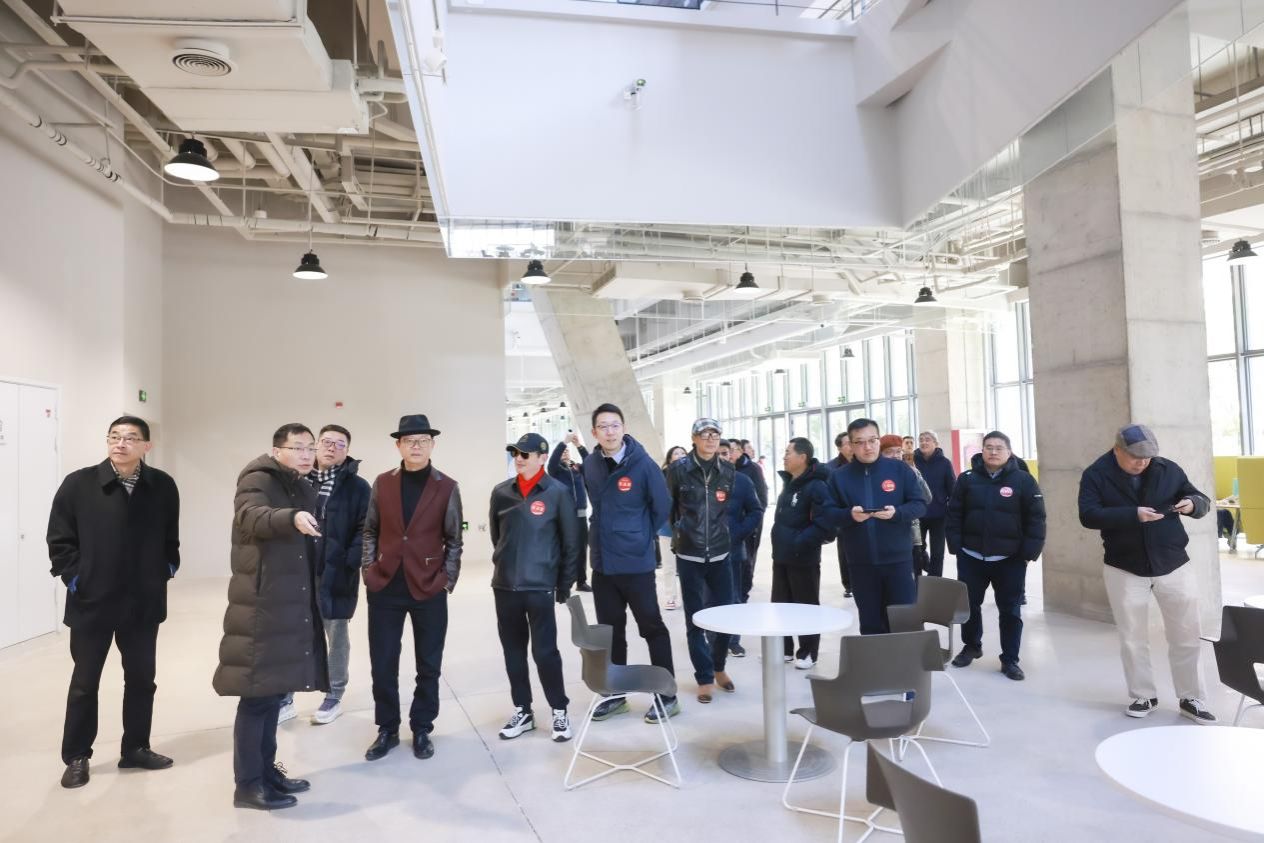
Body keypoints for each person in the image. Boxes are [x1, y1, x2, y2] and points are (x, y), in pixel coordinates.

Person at [47, 415, 180, 790]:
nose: (121, 443)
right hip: (93, 601)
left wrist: (166, 569)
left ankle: (135, 748)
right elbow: (59, 538)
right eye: (114, 437)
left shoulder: (162, 486)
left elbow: (170, 539)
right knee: (85, 683)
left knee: (141, 680)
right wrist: (76, 577)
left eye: (131, 438)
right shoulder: (79, 484)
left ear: (146, 446)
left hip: (142, 602)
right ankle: (77, 756)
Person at [213, 423, 327, 810]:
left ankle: (268, 772)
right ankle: (248, 786)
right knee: (257, 698)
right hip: (261, 606)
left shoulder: (300, 485)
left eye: (310, 447)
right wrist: (290, 517)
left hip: (287, 603)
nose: (307, 454)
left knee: (274, 694)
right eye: (298, 447)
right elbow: (252, 516)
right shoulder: (257, 478)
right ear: (277, 451)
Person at [1078, 424, 1216, 723]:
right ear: (1118, 450)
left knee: (1186, 633)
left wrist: (1192, 504)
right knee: (1132, 637)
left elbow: (1200, 498)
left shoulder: (1168, 469)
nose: (1142, 462)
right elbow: (1088, 515)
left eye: (1148, 457)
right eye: (1135, 457)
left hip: (1174, 563)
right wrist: (1133, 515)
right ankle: (1144, 695)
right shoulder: (1095, 474)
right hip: (1124, 567)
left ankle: (1191, 697)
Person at [361, 414, 464, 761]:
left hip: (428, 587)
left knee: (428, 665)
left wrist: (446, 580)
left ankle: (422, 728)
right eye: (409, 441)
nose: (416, 446)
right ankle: (387, 729)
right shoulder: (382, 483)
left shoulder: (447, 486)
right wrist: (368, 570)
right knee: (383, 663)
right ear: (399, 446)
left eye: (422, 440)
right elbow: (370, 530)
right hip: (385, 586)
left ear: (432, 445)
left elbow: (454, 539)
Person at [582, 403, 677, 723]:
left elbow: (661, 506)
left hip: (636, 564)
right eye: (603, 426)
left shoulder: (643, 464)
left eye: (615, 425)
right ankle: (616, 694)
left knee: (651, 627)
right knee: (610, 632)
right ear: (594, 432)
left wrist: (639, 534)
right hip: (603, 564)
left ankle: (666, 694)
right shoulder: (591, 464)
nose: (609, 432)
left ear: (623, 428)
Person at [489, 433, 579, 742]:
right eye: (515, 453)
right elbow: (497, 537)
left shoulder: (558, 493)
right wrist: (505, 564)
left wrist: (564, 583)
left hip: (540, 588)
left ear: (542, 458)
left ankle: (559, 710)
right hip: (505, 586)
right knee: (513, 652)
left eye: (525, 454)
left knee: (545, 653)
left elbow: (571, 543)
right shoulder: (501, 493)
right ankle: (523, 710)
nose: (519, 458)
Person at [945, 431, 1046, 681]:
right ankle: (971, 646)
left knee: (1010, 610)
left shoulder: (1024, 480)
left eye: (999, 448)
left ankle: (1010, 659)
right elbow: (954, 513)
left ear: (1009, 452)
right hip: (971, 556)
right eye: (988, 447)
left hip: (1009, 559)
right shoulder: (967, 479)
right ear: (982, 451)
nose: (993, 452)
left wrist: (1028, 553)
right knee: (969, 607)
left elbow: (1036, 519)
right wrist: (956, 546)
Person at [825, 419, 928, 636]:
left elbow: (919, 504)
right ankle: (876, 659)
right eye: (860, 442)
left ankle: (905, 660)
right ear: (851, 445)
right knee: (871, 625)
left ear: (879, 440)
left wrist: (897, 513)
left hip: (898, 562)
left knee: (905, 624)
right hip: (861, 564)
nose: (868, 447)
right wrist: (849, 515)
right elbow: (827, 514)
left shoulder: (899, 470)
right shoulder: (839, 477)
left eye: (872, 440)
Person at [665, 419, 742, 703]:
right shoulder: (678, 470)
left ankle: (719, 667)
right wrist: (681, 531)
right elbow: (669, 508)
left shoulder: (728, 470)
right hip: (690, 554)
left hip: (721, 553)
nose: (710, 439)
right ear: (694, 438)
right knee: (695, 619)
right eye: (705, 434)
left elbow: (726, 508)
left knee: (725, 617)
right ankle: (704, 677)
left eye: (715, 434)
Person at [306, 424, 370, 724]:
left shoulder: (358, 487)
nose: (332, 448)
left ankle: (334, 693)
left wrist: (349, 560)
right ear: (316, 445)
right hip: (299, 571)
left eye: (340, 444)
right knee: (295, 633)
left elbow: (366, 527)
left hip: (337, 572)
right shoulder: (300, 480)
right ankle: (286, 695)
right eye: (327, 441)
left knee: (336, 634)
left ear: (347, 451)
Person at [770, 437, 833, 669]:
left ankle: (808, 653)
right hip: (781, 555)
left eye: (788, 452)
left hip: (803, 558)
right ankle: (784, 649)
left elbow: (825, 524)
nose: (784, 457)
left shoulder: (816, 486)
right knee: (781, 604)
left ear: (803, 457)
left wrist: (800, 542)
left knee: (806, 606)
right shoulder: (790, 482)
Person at [718, 439, 763, 659]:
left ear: (731, 456)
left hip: (733, 549)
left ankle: (733, 641)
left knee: (734, 597)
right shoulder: (697, 481)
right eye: (717, 453)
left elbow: (756, 511)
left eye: (725, 453)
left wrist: (738, 532)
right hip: (703, 551)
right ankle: (712, 638)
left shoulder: (742, 481)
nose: (721, 457)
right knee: (709, 599)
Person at [547, 431, 592, 592]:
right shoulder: (555, 470)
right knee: (563, 548)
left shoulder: (577, 468)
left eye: (567, 450)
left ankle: (581, 581)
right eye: (563, 451)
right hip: (564, 515)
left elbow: (590, 463)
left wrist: (579, 445)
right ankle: (560, 581)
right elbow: (552, 461)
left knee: (581, 549)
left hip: (580, 514)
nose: (565, 452)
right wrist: (563, 443)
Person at [914, 430, 956, 578]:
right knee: (917, 550)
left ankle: (935, 581)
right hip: (917, 514)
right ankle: (917, 581)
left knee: (938, 552)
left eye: (927, 439)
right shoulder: (913, 461)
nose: (923, 442)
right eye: (921, 439)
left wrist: (952, 511)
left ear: (936, 443)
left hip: (939, 515)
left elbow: (952, 489)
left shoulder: (945, 463)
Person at [657, 445, 688, 609]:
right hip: (667, 526)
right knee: (669, 565)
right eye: (676, 453)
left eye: (683, 453)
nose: (680, 455)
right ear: (669, 459)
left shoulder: (693, 475)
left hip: (689, 527)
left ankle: (688, 595)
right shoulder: (662, 476)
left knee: (687, 565)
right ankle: (671, 596)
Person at [827, 432, 854, 598]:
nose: (851, 446)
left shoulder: (862, 462)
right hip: (842, 517)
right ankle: (848, 585)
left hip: (864, 515)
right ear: (839, 448)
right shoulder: (831, 468)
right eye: (847, 443)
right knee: (844, 553)